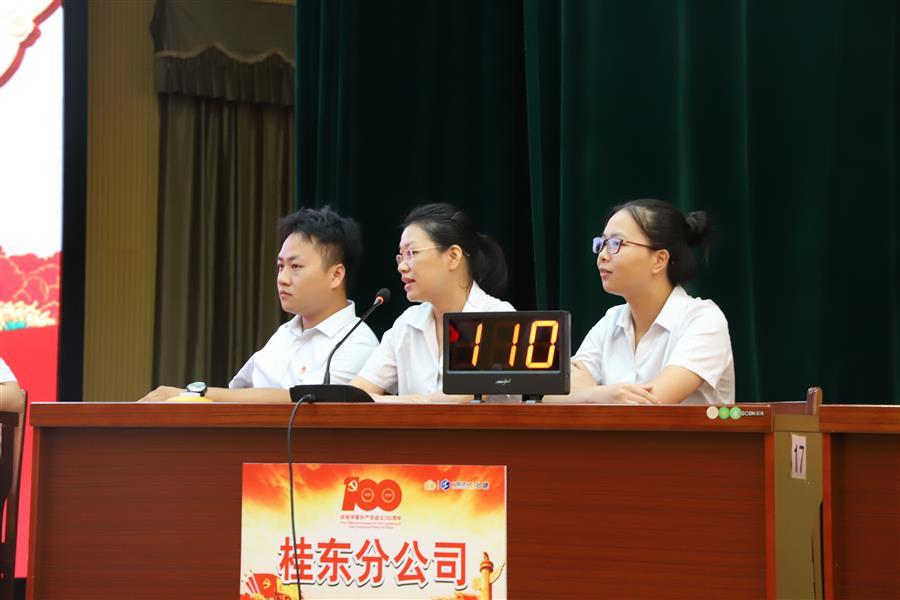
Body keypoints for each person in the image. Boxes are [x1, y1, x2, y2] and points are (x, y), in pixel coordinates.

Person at [140, 206, 379, 403]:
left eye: (295, 267)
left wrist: (194, 394)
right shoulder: (283, 335)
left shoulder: (357, 343)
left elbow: (304, 403)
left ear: (336, 275)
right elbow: (236, 395)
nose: (282, 278)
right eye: (280, 266)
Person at [545, 198, 734, 405]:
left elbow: (648, 404)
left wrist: (587, 393)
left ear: (659, 260)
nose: (602, 256)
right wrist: (602, 394)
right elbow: (549, 395)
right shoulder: (611, 321)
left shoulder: (703, 320)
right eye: (601, 243)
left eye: (616, 243)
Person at [351, 203, 515, 402]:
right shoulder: (407, 324)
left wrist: (411, 403)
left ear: (453, 256)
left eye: (412, 253)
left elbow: (468, 395)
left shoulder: (497, 316)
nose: (402, 267)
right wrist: (409, 402)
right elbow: (355, 395)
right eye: (401, 256)